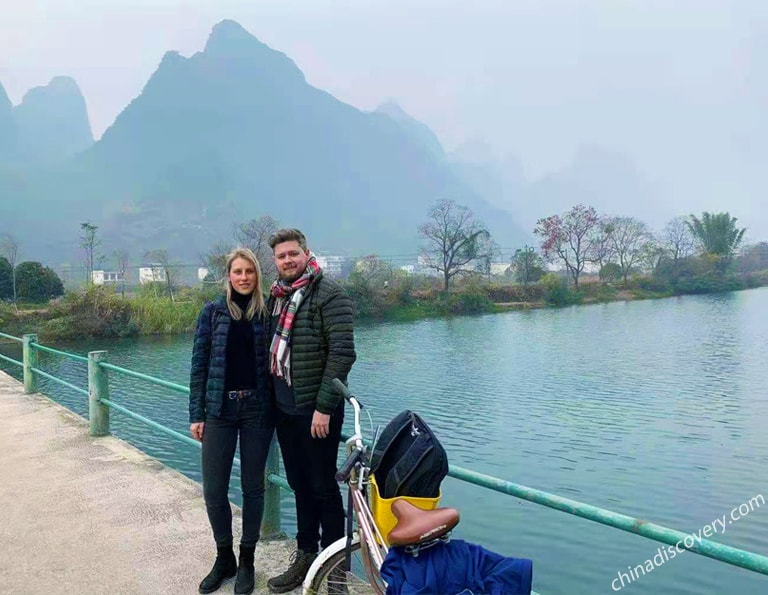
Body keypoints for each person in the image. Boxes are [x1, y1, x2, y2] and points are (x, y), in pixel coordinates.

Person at [265, 228, 357, 593]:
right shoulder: (278, 297)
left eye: (292, 254)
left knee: (323, 488)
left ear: (306, 253)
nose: (287, 260)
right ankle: (306, 556)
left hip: (317, 412)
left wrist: (323, 408)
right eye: (280, 256)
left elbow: (342, 353)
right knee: (300, 485)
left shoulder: (329, 293)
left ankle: (335, 573)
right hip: (285, 411)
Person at [189, 247, 275, 595]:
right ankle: (224, 557)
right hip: (219, 412)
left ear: (257, 276)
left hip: (257, 411)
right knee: (213, 489)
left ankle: (247, 560)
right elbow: (199, 365)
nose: (243, 277)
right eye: (237, 272)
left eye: (249, 272)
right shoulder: (212, 313)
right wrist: (196, 414)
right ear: (228, 275)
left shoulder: (267, 311)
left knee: (253, 488)